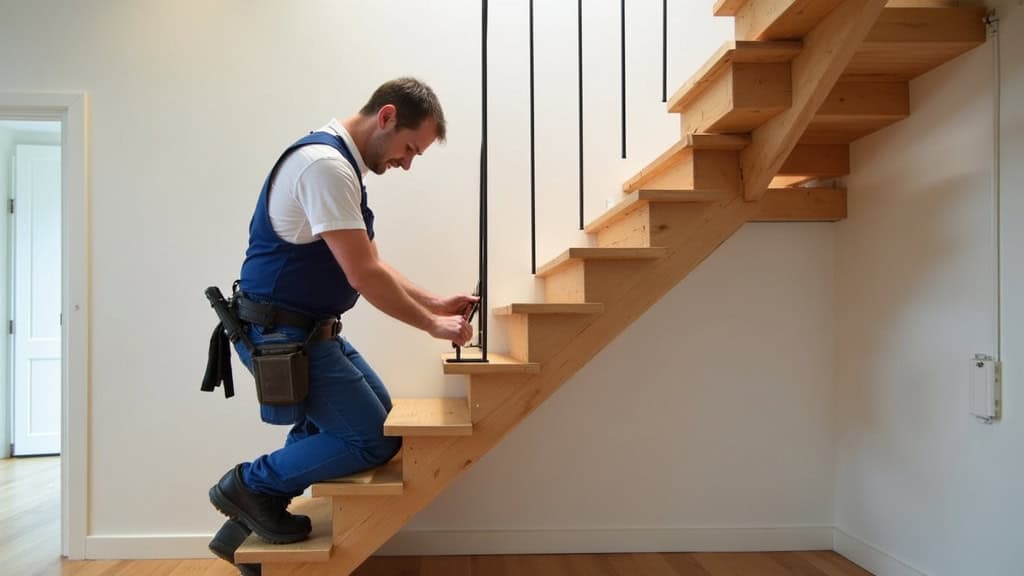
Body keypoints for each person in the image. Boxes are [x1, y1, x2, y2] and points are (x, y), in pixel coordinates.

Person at [206, 78, 475, 575]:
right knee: (370, 439)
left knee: (371, 424)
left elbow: (371, 260)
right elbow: (364, 275)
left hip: (308, 332)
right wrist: (432, 325)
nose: (407, 163)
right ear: (387, 116)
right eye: (409, 148)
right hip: (280, 338)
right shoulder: (325, 167)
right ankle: (249, 486)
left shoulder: (341, 166)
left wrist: (435, 300)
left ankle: (243, 530)